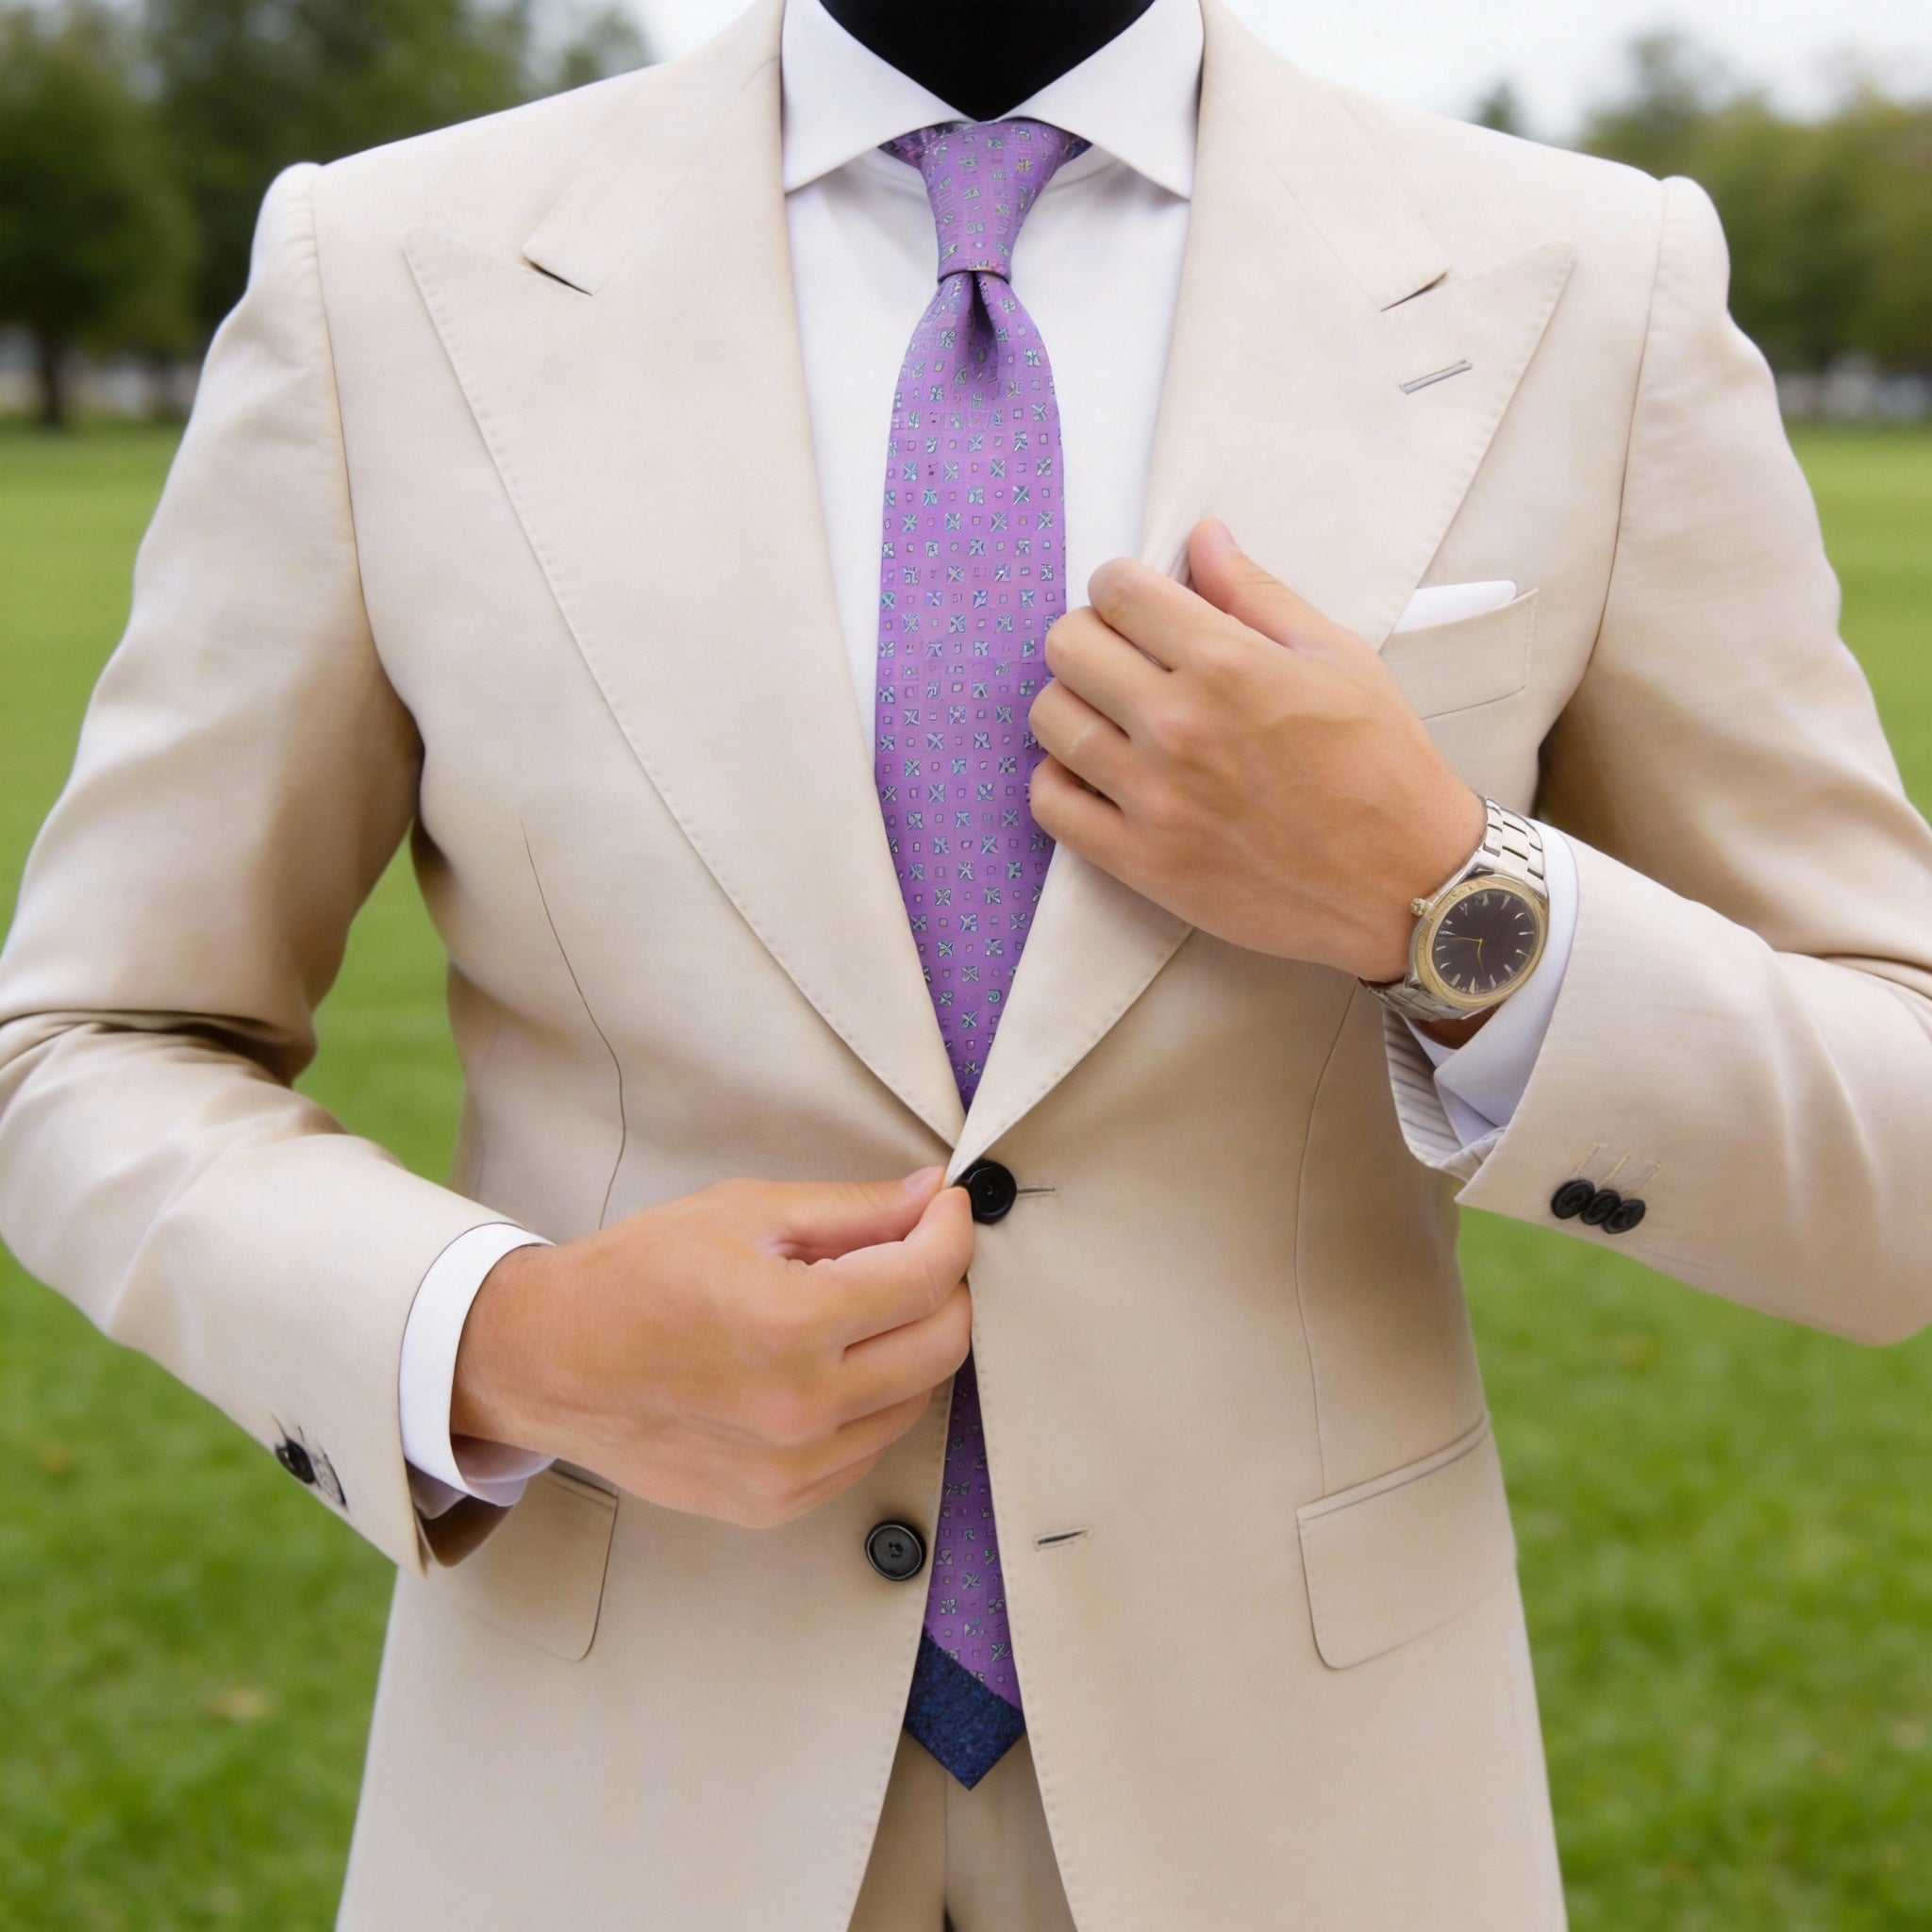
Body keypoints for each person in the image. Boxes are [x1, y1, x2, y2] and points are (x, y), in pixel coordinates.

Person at [4, 0, 1932, 1924]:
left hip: (1308, 1819)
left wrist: (1442, 901)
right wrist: (511, 1343)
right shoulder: (386, 275)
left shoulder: (1590, 284)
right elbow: (83, 1038)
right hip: (608, 1805)